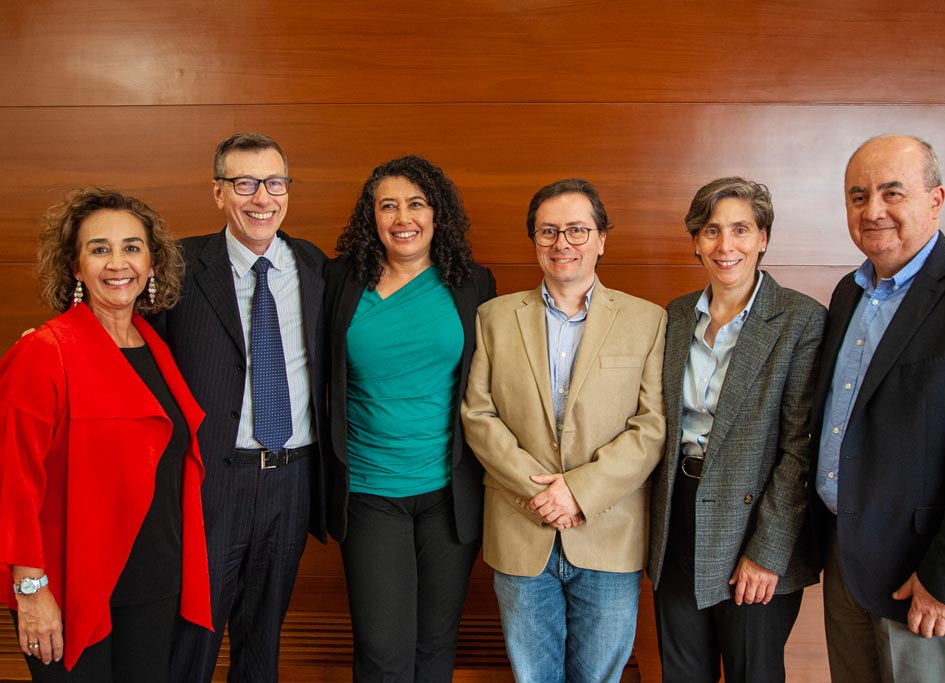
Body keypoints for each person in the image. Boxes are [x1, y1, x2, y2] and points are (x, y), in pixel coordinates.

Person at [809, 134, 945, 682]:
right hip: (849, 565)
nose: (873, 210)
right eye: (858, 196)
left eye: (892, 192)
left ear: (936, 200)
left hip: (926, 579)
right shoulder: (848, 294)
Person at [0, 188, 212, 681]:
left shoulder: (154, 344)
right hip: (74, 587)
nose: (118, 263)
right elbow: (13, 484)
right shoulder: (45, 352)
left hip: (154, 582)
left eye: (132, 247)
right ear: (75, 267)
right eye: (100, 249)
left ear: (152, 262)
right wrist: (31, 593)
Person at [462, 178, 666, 683]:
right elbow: (478, 415)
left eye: (577, 230)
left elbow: (652, 425)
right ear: (534, 239)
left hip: (609, 531)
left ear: (601, 239)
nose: (563, 244)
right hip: (520, 524)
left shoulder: (647, 320)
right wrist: (543, 492)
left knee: (600, 676)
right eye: (548, 231)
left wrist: (576, 491)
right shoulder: (494, 317)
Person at [160, 133, 328, 683]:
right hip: (213, 480)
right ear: (218, 193)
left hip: (292, 480)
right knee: (193, 638)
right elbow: (128, 343)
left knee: (263, 640)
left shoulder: (314, 266)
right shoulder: (179, 266)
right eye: (245, 184)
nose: (262, 198)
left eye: (274, 183)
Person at [323, 155, 496, 682]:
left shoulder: (473, 284)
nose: (403, 217)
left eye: (416, 203)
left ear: (436, 213)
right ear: (371, 217)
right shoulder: (338, 280)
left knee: (435, 645)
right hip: (372, 493)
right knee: (383, 652)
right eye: (388, 205)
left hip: (450, 495)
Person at [647, 177, 825, 681]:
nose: (726, 246)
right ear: (696, 242)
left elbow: (800, 452)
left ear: (763, 237)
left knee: (754, 673)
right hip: (678, 519)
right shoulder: (676, 315)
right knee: (682, 673)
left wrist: (765, 554)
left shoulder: (800, 320)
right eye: (710, 231)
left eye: (741, 230)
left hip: (753, 527)